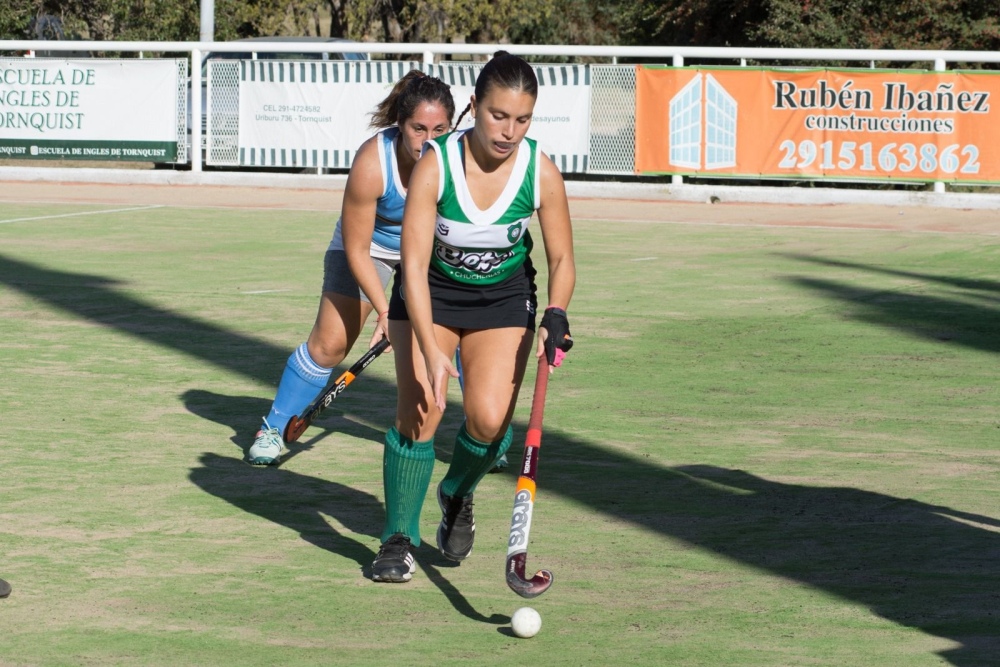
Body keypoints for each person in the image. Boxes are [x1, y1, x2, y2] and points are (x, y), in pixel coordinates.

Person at [371, 51, 576, 583]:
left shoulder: (539, 170)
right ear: (474, 107)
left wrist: (557, 311)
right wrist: (432, 350)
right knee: (420, 410)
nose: (509, 131)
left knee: (487, 420)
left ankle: (456, 492)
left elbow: (561, 259)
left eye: (522, 118)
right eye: (497, 116)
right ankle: (398, 537)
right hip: (428, 296)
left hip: (503, 298)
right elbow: (412, 267)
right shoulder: (436, 163)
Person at [247, 71, 456, 465]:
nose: (429, 140)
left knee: (454, 336)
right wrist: (386, 310)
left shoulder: (456, 160)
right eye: (419, 129)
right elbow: (358, 249)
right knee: (331, 344)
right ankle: (273, 427)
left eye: (440, 129)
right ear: (401, 124)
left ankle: (481, 430)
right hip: (369, 247)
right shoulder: (372, 162)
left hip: (429, 250)